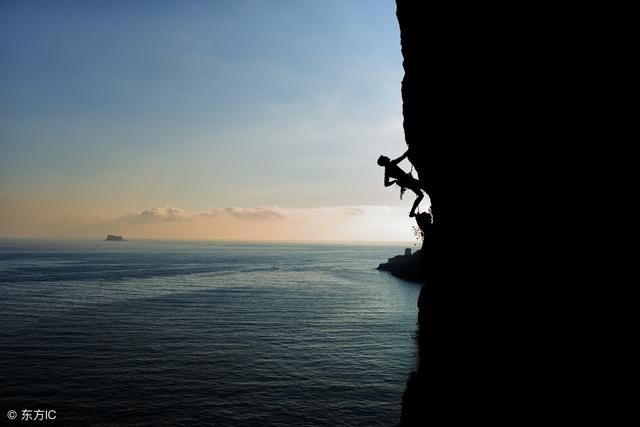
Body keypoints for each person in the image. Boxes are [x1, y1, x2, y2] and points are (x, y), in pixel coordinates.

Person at [377, 149, 428, 217]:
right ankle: (412, 212)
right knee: (423, 189)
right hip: (409, 181)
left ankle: (412, 212)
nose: (386, 156)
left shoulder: (387, 171)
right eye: (385, 157)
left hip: (407, 182)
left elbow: (386, 184)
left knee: (421, 193)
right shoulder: (392, 163)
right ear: (384, 161)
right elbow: (403, 157)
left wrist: (394, 181)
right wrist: (410, 148)